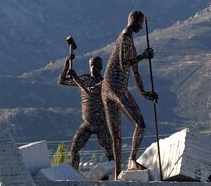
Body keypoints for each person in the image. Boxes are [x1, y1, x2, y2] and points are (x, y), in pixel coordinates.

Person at [101, 10, 158, 180]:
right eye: (140, 23)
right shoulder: (125, 36)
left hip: (106, 90)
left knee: (116, 137)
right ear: (135, 21)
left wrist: (145, 93)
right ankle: (132, 159)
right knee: (140, 123)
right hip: (115, 87)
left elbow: (136, 73)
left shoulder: (128, 40)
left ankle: (118, 175)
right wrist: (143, 56)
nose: (142, 26)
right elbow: (123, 62)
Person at [59, 54, 114, 171]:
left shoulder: (104, 83)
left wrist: (76, 78)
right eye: (91, 65)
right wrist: (67, 64)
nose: (93, 67)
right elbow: (62, 81)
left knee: (110, 154)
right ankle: (73, 174)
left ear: (100, 67)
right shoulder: (85, 78)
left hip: (101, 123)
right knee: (74, 149)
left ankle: (114, 173)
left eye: (96, 65)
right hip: (87, 122)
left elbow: (90, 91)